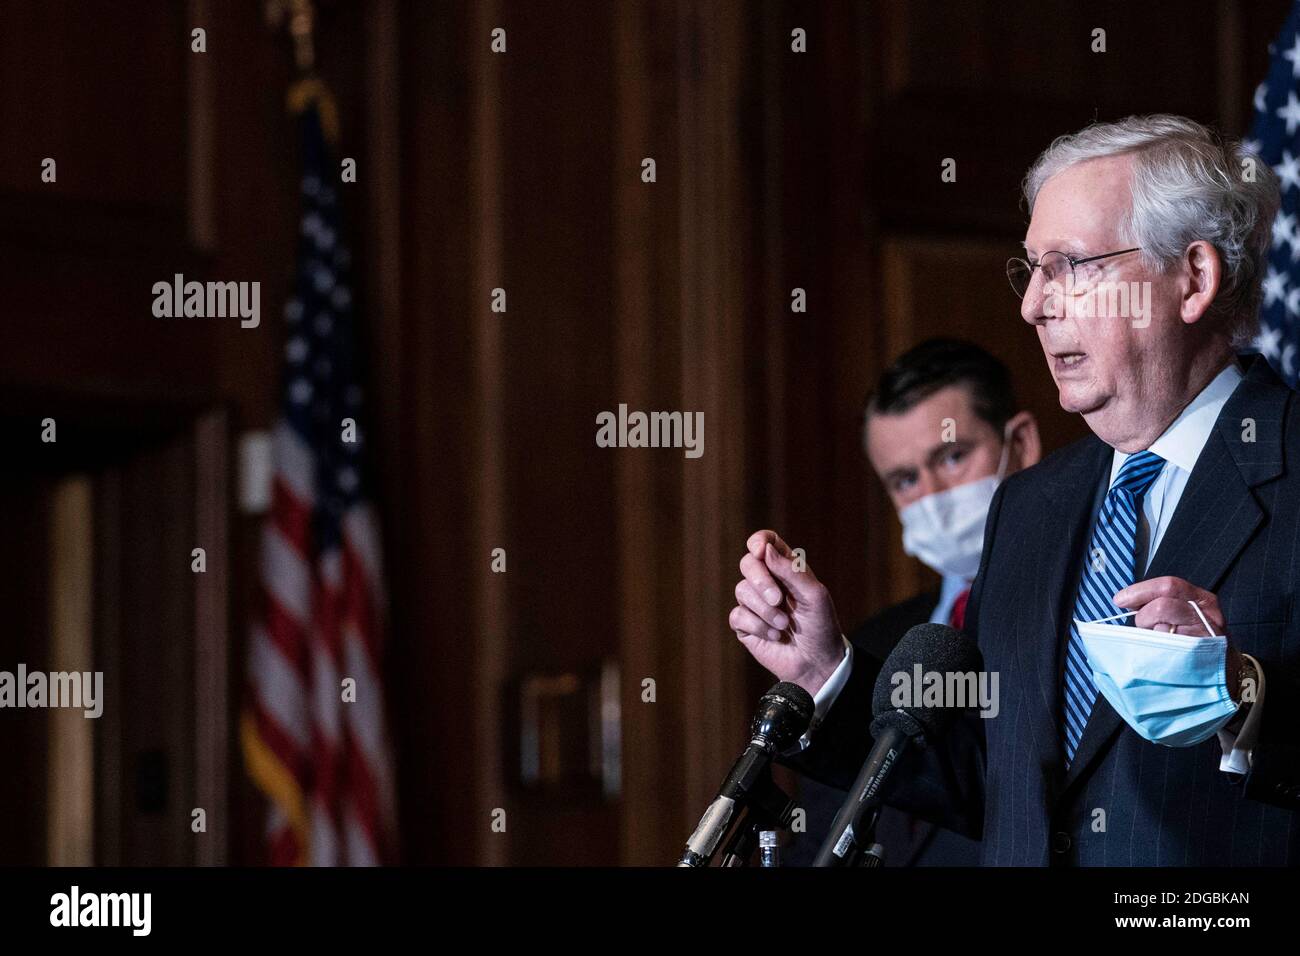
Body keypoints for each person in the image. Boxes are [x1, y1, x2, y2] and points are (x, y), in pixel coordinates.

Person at [731, 114, 1300, 865]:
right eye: (1029, 270)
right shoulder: (1032, 506)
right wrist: (824, 672)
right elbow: (996, 783)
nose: (1034, 305)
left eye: (1069, 266)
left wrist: (1246, 695)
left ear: (1192, 278)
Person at [783, 338, 1041, 866]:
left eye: (951, 456)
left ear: (1021, 443)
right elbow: (819, 844)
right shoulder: (865, 650)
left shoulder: (1087, 616)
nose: (931, 496)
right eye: (904, 480)